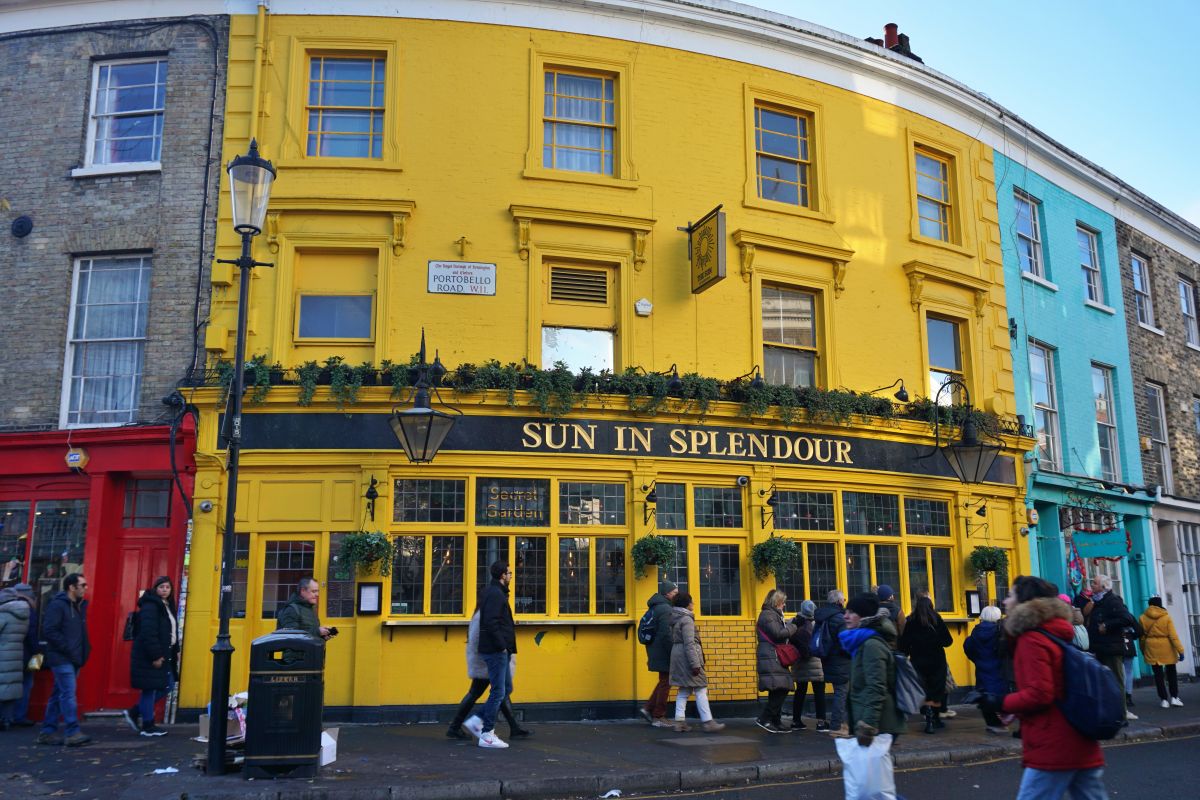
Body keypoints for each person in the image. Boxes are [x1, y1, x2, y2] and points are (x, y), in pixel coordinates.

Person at [974, 575, 1108, 800]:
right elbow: (1054, 685)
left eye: (1010, 596)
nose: (1005, 602)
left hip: (1053, 743)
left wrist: (999, 702)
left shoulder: (1032, 640)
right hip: (1079, 736)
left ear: (1023, 602)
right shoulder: (1054, 632)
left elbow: (1040, 694)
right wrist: (1015, 709)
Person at [447, 607, 530, 740]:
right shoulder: (486, 613)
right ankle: (460, 726)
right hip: (488, 661)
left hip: (485, 660)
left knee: (496, 693)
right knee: (495, 692)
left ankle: (514, 728)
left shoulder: (482, 613)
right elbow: (483, 637)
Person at [840, 592, 905, 751]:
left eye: (852, 612)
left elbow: (876, 687)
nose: (845, 616)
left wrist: (868, 725)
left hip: (879, 723)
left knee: (872, 774)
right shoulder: (862, 641)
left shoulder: (871, 645)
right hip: (872, 719)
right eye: (846, 612)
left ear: (863, 616)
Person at [465, 561, 517, 749]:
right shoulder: (496, 594)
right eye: (509, 573)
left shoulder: (492, 592)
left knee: (505, 688)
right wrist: (502, 646)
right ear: (503, 575)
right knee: (498, 691)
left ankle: (477, 720)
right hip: (496, 650)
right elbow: (491, 622)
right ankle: (487, 733)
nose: (511, 576)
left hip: (498, 649)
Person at [123, 577, 179, 737]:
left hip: (164, 653)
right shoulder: (151, 606)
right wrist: (156, 655)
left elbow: (171, 630)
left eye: (168, 587)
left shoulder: (167, 606)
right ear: (155, 588)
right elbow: (148, 631)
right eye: (161, 586)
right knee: (150, 689)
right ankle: (148, 725)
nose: (165, 589)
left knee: (167, 684)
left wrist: (176, 649)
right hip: (151, 654)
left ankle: (135, 712)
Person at [39, 573, 91, 746]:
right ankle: (72, 731)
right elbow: (50, 630)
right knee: (68, 693)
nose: (85, 588)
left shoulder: (79, 606)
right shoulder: (58, 605)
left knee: (57, 694)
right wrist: (67, 648)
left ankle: (47, 731)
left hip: (73, 657)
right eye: (82, 585)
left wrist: (83, 651)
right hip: (61, 657)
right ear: (72, 587)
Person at [1084, 574, 1140, 720]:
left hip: (1112, 648)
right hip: (1100, 648)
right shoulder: (1098, 601)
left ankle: (1121, 714)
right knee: (1104, 682)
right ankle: (1108, 712)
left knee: (1116, 681)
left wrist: (1107, 625)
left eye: (1094, 583)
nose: (1092, 585)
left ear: (1103, 587)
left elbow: (1126, 618)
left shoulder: (1112, 600)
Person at [668, 591, 724, 732]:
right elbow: (689, 643)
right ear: (686, 604)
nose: (693, 604)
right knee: (700, 688)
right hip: (687, 658)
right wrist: (695, 664)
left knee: (684, 690)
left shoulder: (675, 618)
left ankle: (679, 722)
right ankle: (708, 721)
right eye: (691, 601)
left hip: (678, 656)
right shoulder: (686, 619)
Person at [898, 595, 953, 734]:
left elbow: (904, 644)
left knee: (924, 690)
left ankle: (928, 716)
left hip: (918, 661)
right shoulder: (936, 620)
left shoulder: (911, 621)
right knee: (936, 690)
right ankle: (935, 719)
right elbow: (948, 641)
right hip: (936, 661)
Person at [755, 588, 798, 734]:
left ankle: (775, 721)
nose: (784, 605)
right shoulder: (768, 615)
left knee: (778, 687)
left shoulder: (772, 615)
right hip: (771, 655)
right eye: (783, 602)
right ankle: (764, 718)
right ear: (777, 602)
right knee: (782, 687)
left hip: (773, 655)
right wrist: (794, 626)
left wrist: (789, 623)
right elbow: (778, 634)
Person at [639, 579, 678, 728]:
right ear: (667, 593)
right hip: (663, 651)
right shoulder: (666, 609)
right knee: (666, 682)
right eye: (674, 592)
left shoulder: (657, 607)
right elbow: (666, 634)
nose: (676, 595)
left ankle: (648, 708)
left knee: (664, 681)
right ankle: (658, 716)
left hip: (655, 649)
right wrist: (673, 651)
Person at [963, 605, 1008, 734]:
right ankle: (1001, 721)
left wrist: (978, 660)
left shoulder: (975, 633)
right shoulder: (1000, 632)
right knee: (1000, 696)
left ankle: (992, 723)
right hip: (998, 670)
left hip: (982, 670)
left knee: (984, 695)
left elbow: (968, 647)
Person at [815, 589, 850, 736]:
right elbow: (845, 642)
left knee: (839, 692)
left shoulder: (822, 616)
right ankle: (837, 726)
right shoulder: (840, 618)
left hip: (827, 659)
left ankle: (843, 723)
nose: (844, 602)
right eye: (843, 600)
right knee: (841, 693)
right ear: (838, 601)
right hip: (841, 661)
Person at [1139, 597, 1184, 709]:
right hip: (1167, 647)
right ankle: (1174, 697)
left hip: (1151, 647)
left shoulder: (1142, 618)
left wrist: (1143, 650)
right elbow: (1173, 636)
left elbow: (1142, 637)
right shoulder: (1166, 616)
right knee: (1171, 672)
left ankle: (1164, 700)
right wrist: (1180, 650)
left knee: (1158, 675)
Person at [788, 599, 825, 731]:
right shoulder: (818, 622)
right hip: (816, 661)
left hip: (799, 662)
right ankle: (821, 722)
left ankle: (796, 720)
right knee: (819, 692)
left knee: (800, 692)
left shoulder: (794, 622)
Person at [0, 583, 32, 729]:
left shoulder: (4, 614)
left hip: (3, 655)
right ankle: (8, 718)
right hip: (17, 655)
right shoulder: (25, 613)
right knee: (10, 687)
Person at [9, 584, 40, 727]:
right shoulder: (29, 609)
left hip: (9, 655)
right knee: (27, 684)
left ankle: (8, 716)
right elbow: (32, 634)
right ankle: (19, 716)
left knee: (9, 685)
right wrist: (38, 653)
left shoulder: (7, 607)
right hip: (27, 654)